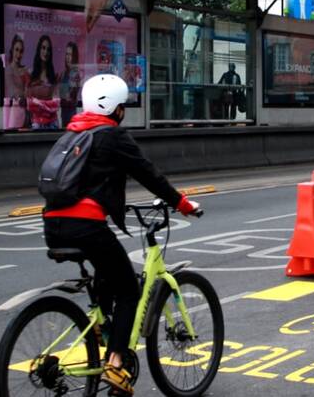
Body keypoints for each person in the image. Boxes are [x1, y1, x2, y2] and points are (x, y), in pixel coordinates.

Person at [42, 74, 201, 396]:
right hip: (86, 226)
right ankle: (115, 364)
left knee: (107, 275)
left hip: (53, 225)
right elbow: (147, 173)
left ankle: (102, 327)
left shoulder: (73, 134)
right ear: (115, 108)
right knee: (128, 289)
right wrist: (182, 204)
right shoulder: (112, 136)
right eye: (123, 106)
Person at [26, 35, 60, 130]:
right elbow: (29, 103)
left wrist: (39, 104)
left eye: (48, 49)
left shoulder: (54, 75)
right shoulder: (31, 74)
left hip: (52, 123)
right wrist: (47, 105)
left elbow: (56, 103)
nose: (46, 52)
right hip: (36, 123)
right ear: (39, 49)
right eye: (43, 48)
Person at [3, 35, 30, 129]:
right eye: (16, 50)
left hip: (26, 113)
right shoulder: (8, 70)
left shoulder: (25, 70)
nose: (18, 54)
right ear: (12, 50)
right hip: (14, 112)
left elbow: (30, 91)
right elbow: (13, 92)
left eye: (21, 51)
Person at [58, 42, 82, 127]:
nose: (68, 57)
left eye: (70, 55)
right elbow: (60, 94)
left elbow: (69, 95)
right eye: (67, 54)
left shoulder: (76, 74)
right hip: (63, 111)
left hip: (71, 111)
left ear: (74, 57)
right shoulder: (63, 74)